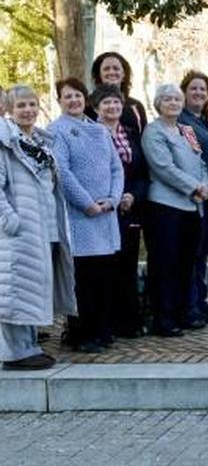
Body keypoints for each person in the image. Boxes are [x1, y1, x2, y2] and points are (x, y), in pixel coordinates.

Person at [0, 86, 76, 370]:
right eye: (21, 105)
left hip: (45, 227)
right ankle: (15, 352)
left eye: (32, 104)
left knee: (34, 288)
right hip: (19, 231)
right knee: (16, 290)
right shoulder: (5, 142)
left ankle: (28, 347)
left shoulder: (40, 142)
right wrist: (11, 221)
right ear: (10, 109)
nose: (28, 110)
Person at [49, 79, 123, 353]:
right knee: (83, 280)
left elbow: (117, 167)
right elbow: (62, 172)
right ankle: (81, 334)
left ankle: (103, 330)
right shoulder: (57, 131)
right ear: (59, 101)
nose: (73, 101)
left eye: (77, 95)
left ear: (85, 99)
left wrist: (113, 199)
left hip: (105, 215)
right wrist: (87, 203)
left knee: (104, 277)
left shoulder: (99, 130)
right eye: (67, 96)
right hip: (80, 217)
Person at [141, 84, 208, 337]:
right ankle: (164, 317)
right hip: (165, 207)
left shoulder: (187, 130)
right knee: (165, 264)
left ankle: (185, 311)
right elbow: (163, 167)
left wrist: (205, 185)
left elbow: (200, 161)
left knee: (187, 263)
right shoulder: (153, 131)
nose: (173, 103)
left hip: (192, 207)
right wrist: (194, 187)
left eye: (177, 99)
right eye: (167, 99)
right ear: (158, 103)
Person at [92, 84, 148, 338]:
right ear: (96, 108)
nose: (112, 107)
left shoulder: (130, 133)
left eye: (116, 102)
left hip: (129, 208)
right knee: (106, 266)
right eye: (106, 103)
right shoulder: (92, 134)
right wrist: (114, 197)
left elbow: (141, 171)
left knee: (127, 264)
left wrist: (132, 195)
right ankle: (107, 321)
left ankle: (128, 321)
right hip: (102, 208)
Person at [179, 71, 208, 322]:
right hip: (200, 196)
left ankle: (201, 298)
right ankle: (191, 304)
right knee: (194, 250)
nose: (198, 93)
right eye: (193, 89)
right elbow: (195, 155)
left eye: (203, 90)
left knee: (203, 250)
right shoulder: (185, 124)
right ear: (184, 92)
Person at [89, 51, 148, 135]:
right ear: (99, 75)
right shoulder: (88, 105)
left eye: (116, 68)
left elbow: (143, 137)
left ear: (124, 74)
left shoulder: (136, 106)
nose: (111, 72)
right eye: (106, 69)